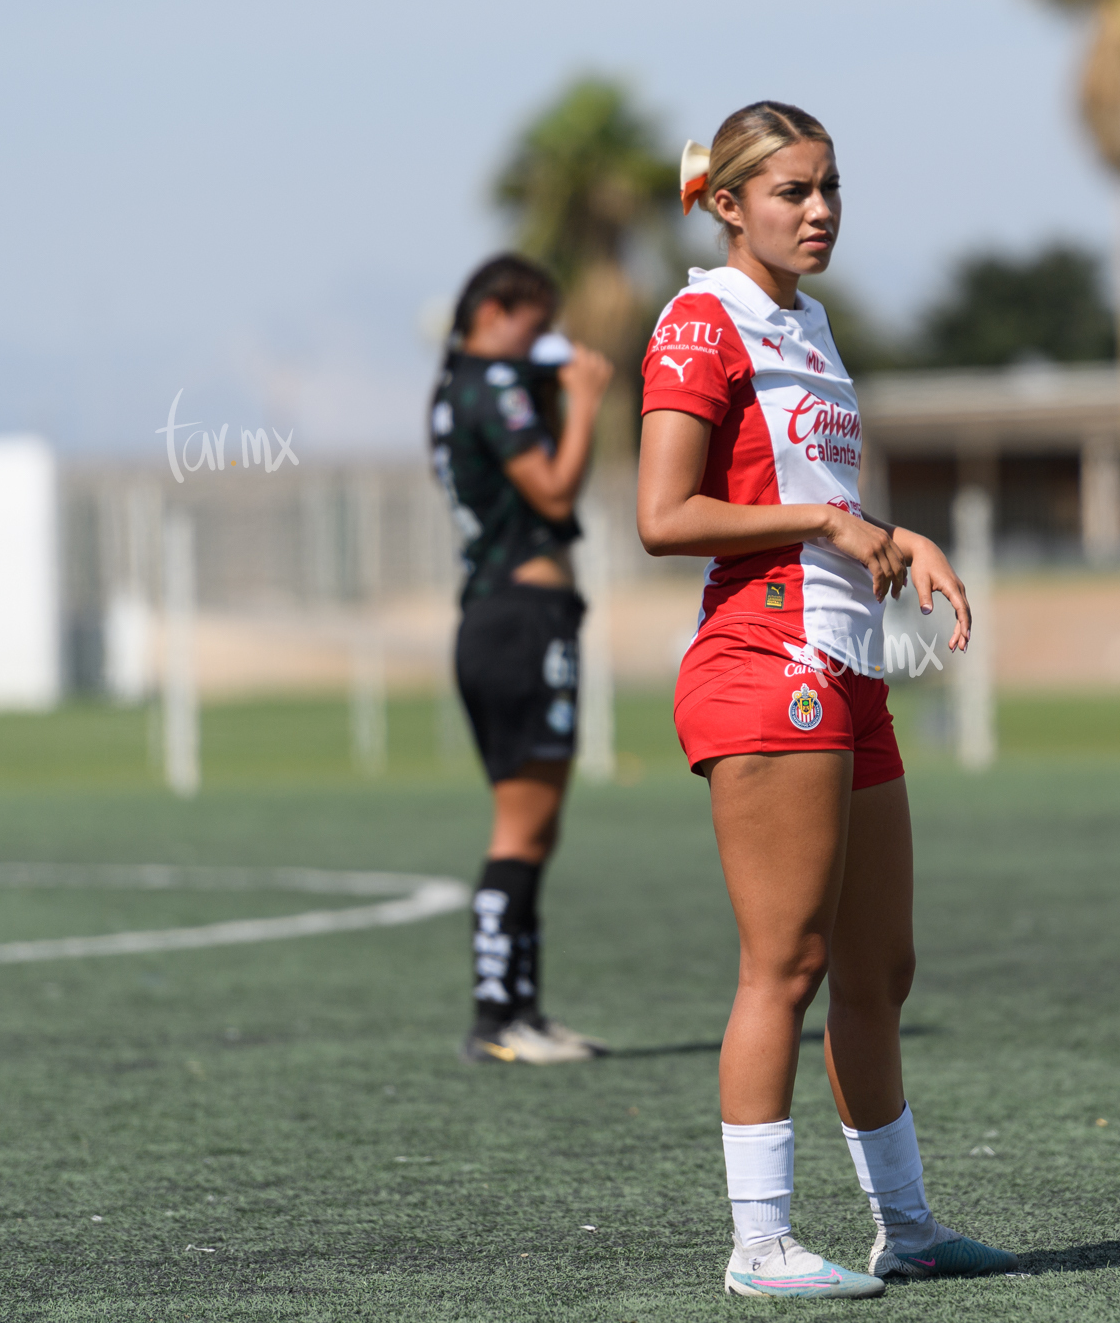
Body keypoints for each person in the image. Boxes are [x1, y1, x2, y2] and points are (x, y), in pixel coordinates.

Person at [635, 102, 1019, 1299]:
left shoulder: (811, 325)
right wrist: (827, 522)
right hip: (763, 664)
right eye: (792, 192)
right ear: (728, 203)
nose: (818, 211)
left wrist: (896, 537)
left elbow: (817, 498)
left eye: (831, 188)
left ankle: (903, 1228)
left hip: (847, 670)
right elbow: (665, 516)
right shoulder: (703, 320)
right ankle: (758, 1247)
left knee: (879, 966)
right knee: (783, 966)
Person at [428, 253, 612, 1066]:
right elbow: (554, 491)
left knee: (533, 829)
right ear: (496, 310)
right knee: (522, 827)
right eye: (536, 324)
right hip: (520, 621)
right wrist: (585, 403)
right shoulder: (492, 382)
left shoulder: (453, 388)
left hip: (500, 617)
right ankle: (496, 1019)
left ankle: (521, 1012)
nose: (545, 343)